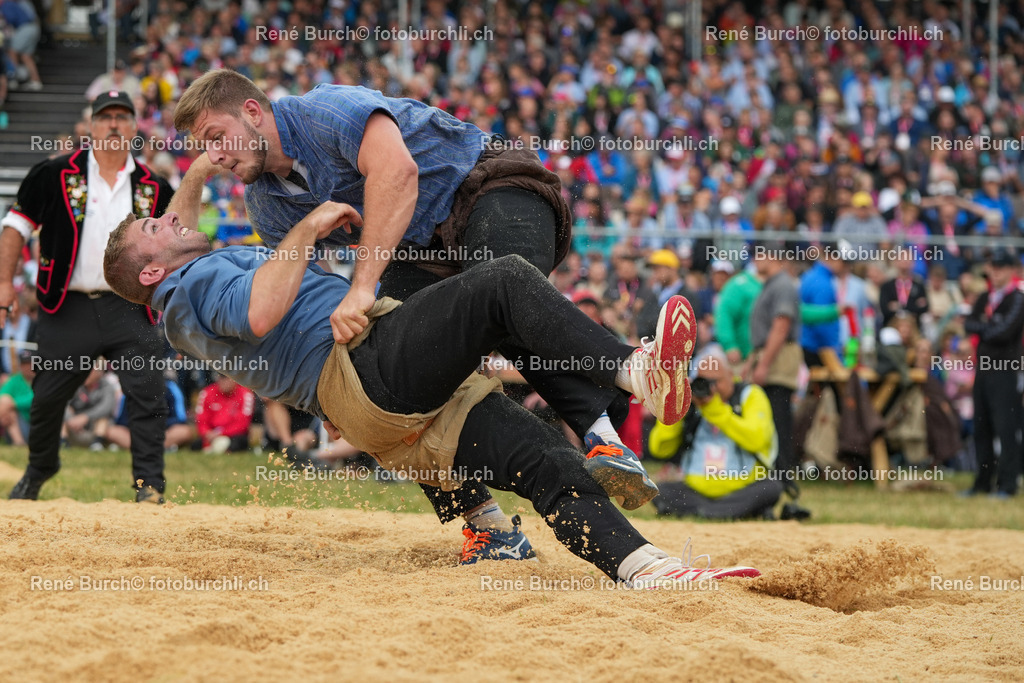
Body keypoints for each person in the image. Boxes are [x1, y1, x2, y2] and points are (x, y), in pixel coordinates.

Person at [101, 204, 760, 584]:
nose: (171, 215)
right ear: (153, 268)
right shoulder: (196, 283)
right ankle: (637, 374)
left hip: (367, 404)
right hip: (364, 366)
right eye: (155, 225)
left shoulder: (176, 305)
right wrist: (309, 225)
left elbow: (191, 263)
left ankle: (645, 570)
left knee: (547, 462)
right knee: (501, 281)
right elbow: (260, 312)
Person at [168, 69, 635, 543]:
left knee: (496, 290)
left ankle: (611, 413)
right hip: (416, 254)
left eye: (216, 137)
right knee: (389, 380)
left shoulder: (323, 111)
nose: (215, 154)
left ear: (252, 111)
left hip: (487, 188)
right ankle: (488, 527)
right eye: (205, 148)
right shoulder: (265, 206)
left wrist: (363, 287)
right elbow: (296, 296)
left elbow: (397, 174)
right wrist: (333, 389)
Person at [1, 91, 172, 503]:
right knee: (46, 398)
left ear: (134, 128)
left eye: (122, 117)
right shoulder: (54, 173)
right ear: (91, 127)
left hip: (130, 306)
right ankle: (41, 467)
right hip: (67, 305)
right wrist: (5, 283)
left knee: (147, 394)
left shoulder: (155, 187)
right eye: (105, 117)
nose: (113, 124)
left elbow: (177, 246)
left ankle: (149, 485)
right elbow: (16, 226)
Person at [649, 346, 783, 519]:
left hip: (742, 488)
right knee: (660, 490)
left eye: (716, 382)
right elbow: (658, 449)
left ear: (730, 376)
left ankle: (706, 511)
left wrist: (715, 410)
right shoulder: (690, 404)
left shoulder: (750, 395)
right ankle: (726, 511)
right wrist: (675, 410)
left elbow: (757, 440)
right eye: (704, 382)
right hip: (696, 490)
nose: (711, 389)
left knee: (771, 488)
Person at [962, 249, 1024, 498]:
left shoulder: (1017, 298)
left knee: (1006, 427)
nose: (995, 272)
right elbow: (969, 324)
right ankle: (982, 482)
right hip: (983, 369)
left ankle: (1008, 484)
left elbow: (1005, 332)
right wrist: (989, 327)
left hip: (1006, 370)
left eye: (1000, 267)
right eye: (992, 267)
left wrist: (983, 328)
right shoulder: (985, 296)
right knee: (982, 426)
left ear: (1011, 270)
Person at [749, 243, 802, 476]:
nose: (756, 260)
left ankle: (781, 471)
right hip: (770, 353)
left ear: (773, 258)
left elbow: (781, 327)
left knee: (777, 413)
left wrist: (764, 364)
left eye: (760, 255)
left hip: (779, 356)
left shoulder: (782, 285)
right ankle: (775, 469)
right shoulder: (772, 284)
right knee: (770, 413)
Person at [103, 378, 194, 452]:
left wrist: (157, 425)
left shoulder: (170, 387)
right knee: (112, 431)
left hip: (163, 432)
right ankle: (157, 447)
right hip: (138, 433)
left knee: (184, 431)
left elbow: (180, 418)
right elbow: (121, 421)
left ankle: (144, 448)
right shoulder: (131, 389)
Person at [195, 374, 255, 453]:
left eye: (227, 378)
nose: (224, 382)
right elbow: (201, 420)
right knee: (195, 445)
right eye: (222, 378)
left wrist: (221, 434)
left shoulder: (245, 394)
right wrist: (207, 432)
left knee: (237, 442)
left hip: (234, 435)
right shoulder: (207, 392)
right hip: (211, 434)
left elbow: (242, 424)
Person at [0, 349, 34, 445]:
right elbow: (2, 398)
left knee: (7, 405)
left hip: (41, 423)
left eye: (31, 363)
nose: (28, 367)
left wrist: (13, 404)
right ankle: (19, 443)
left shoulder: (43, 379)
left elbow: (38, 399)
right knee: (5, 402)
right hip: (21, 424)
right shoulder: (15, 379)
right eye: (25, 364)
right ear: (20, 366)